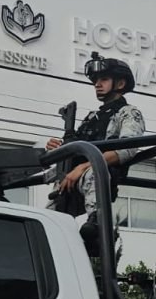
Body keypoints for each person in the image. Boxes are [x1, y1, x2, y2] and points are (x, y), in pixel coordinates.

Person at [46, 52, 145, 254]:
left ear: (119, 84)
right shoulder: (93, 116)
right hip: (71, 178)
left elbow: (128, 148)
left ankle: (98, 225)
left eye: (104, 79)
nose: (97, 85)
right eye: (95, 81)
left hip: (98, 175)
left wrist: (84, 166)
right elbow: (77, 148)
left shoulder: (128, 112)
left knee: (94, 172)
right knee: (49, 220)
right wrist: (59, 149)